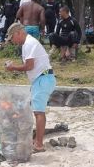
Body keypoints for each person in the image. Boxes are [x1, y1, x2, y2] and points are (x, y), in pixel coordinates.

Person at [5, 23, 56, 153]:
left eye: (12, 38)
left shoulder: (29, 43)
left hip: (42, 79)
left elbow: (29, 66)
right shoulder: (27, 44)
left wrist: (13, 67)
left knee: (39, 112)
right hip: (42, 79)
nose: (13, 42)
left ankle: (38, 144)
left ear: (18, 33)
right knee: (37, 111)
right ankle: (37, 141)